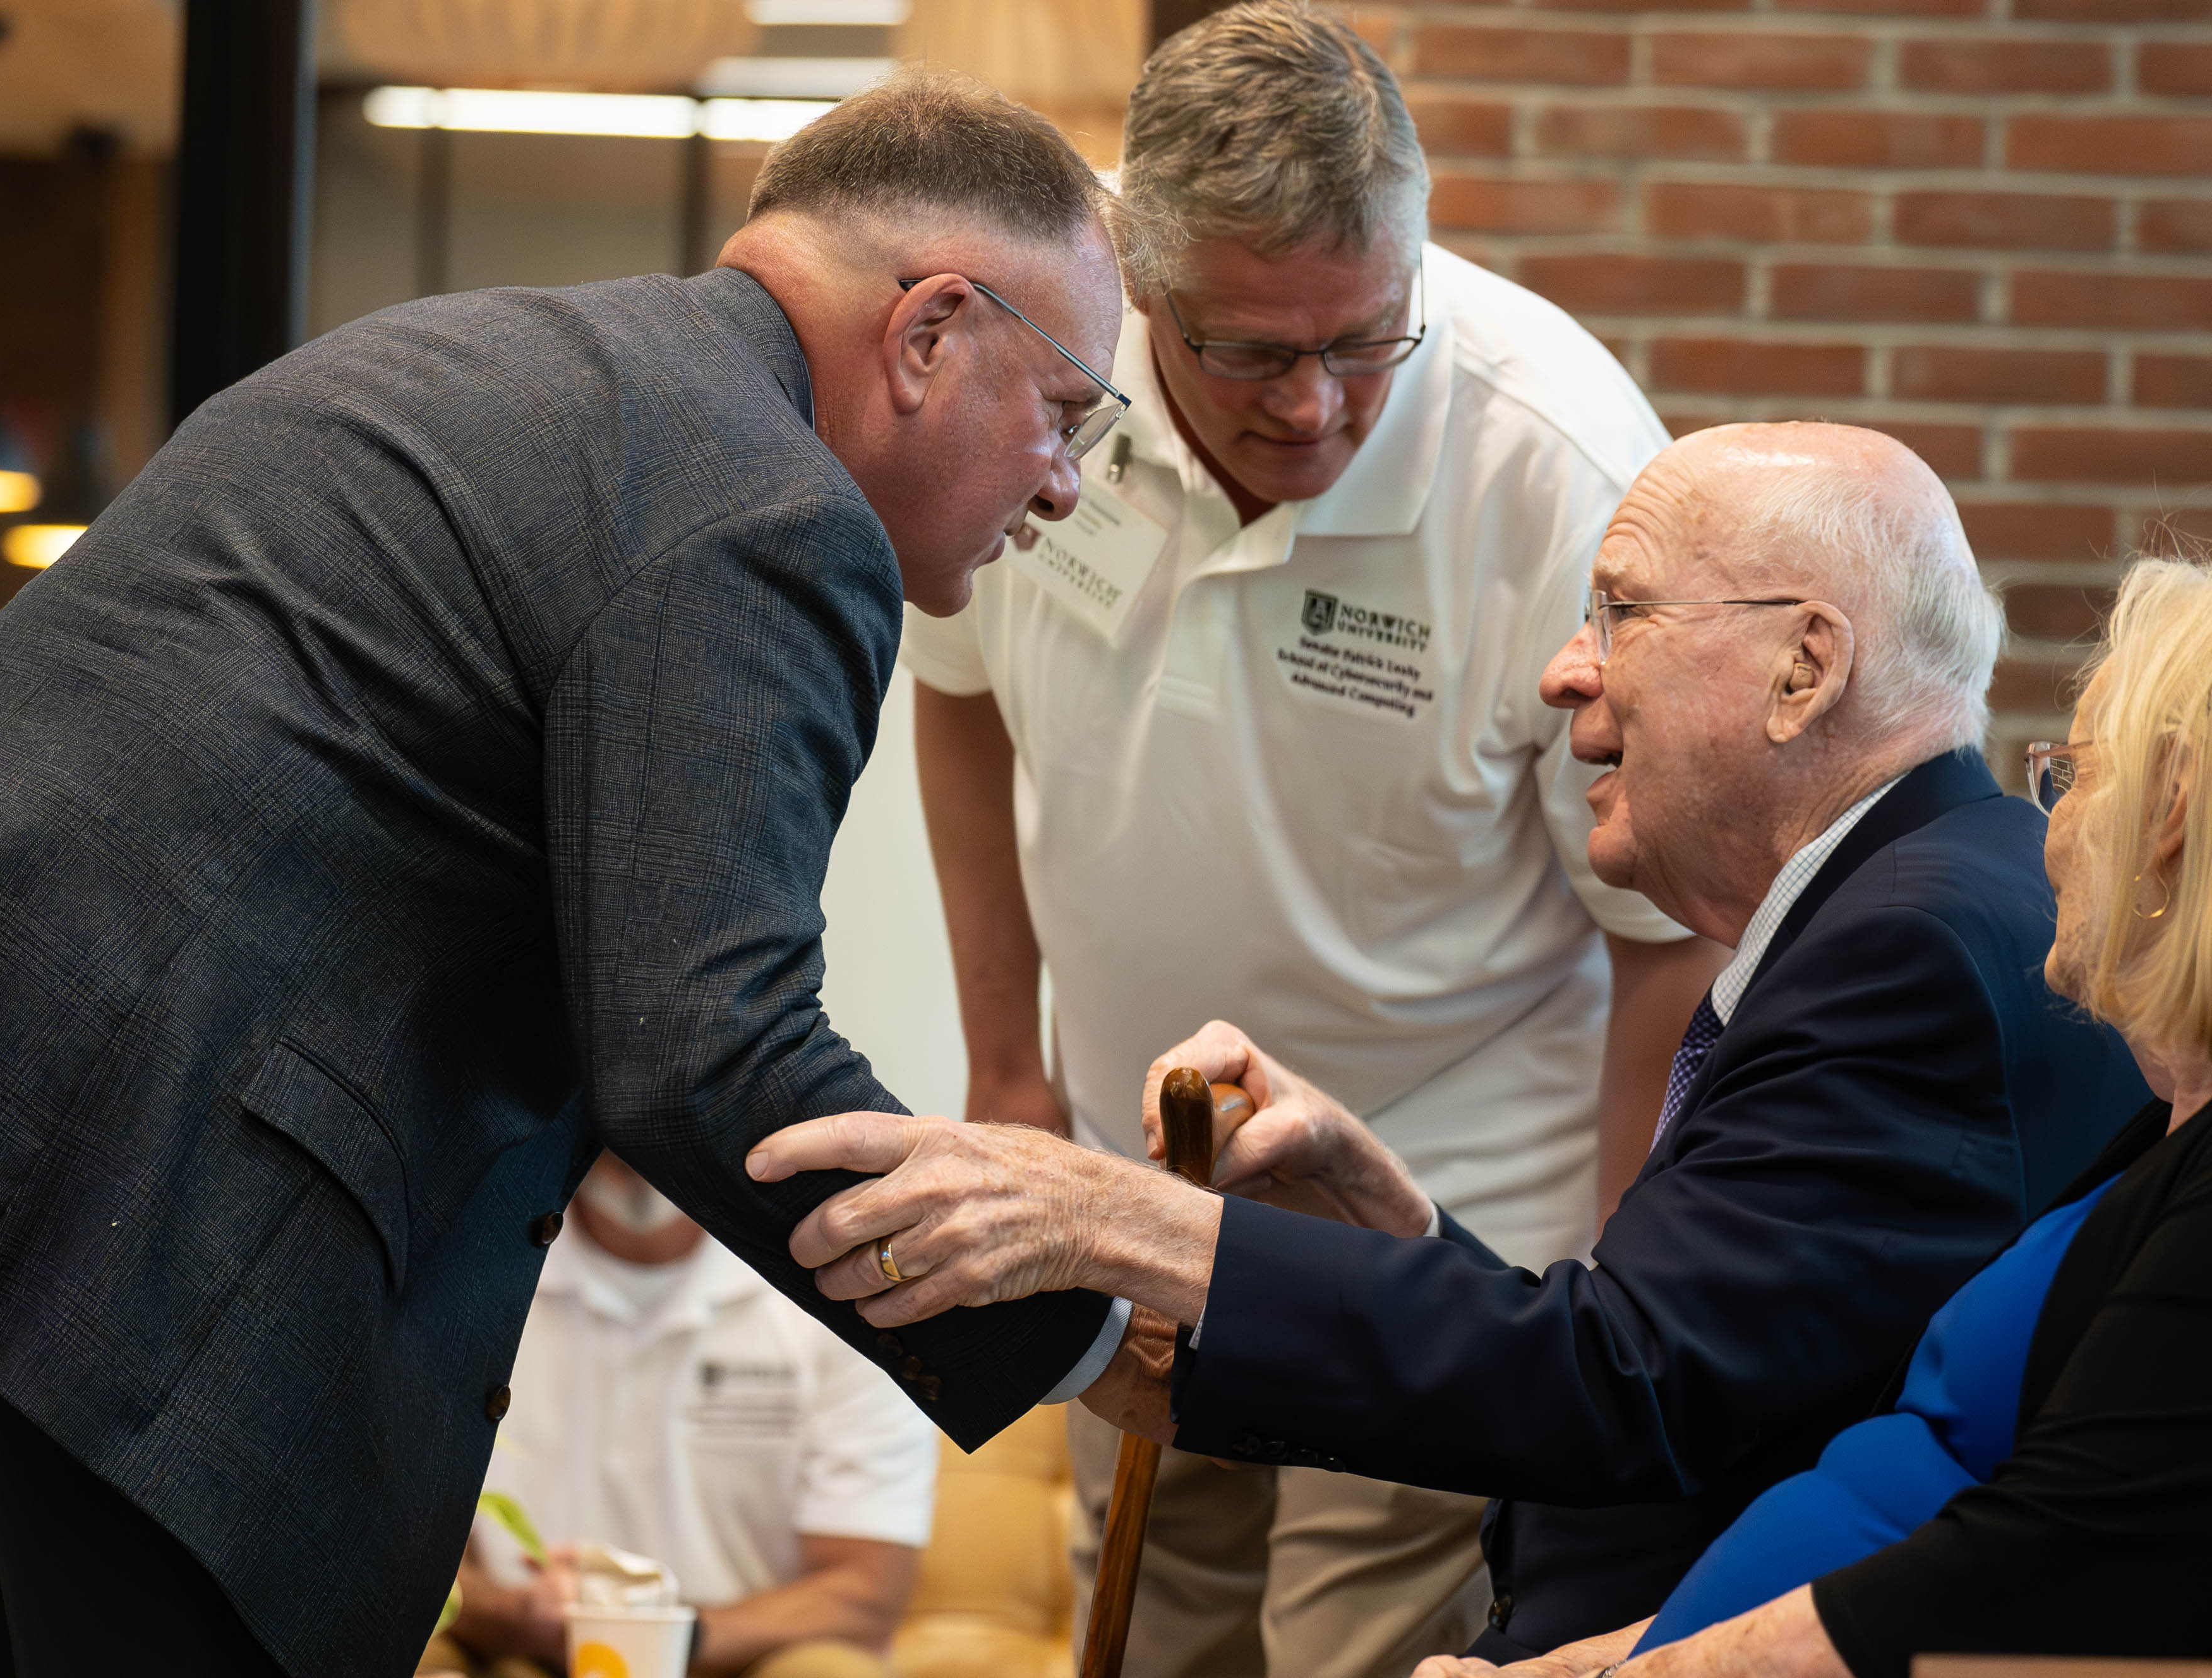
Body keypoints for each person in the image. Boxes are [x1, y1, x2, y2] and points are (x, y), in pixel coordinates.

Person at [0, 73, 1145, 1677]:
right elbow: (707, 1052)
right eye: (1067, 410)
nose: (1065, 484)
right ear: (931, 329)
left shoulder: (478, 351)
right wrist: (1083, 1320)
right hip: (134, 1210)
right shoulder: (771, 506)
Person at [747, 422, 2154, 1659]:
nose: (1562, 673)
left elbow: (1627, 1390)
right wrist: (1390, 1216)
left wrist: (1130, 1221)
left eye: (1619, 613)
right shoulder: (1905, 903)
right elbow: (1712, 1361)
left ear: (1805, 666)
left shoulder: (1911, 947)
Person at [899, 8, 1719, 1670]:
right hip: (1143, 1188)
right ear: (1139, 289)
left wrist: (1612, 1299)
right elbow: (959, 691)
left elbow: (1665, 936)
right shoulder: (1049, 361)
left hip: (1445, 1220)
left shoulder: (1554, 467)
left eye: (1367, 338)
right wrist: (1007, 1067)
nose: (1318, 403)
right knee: (1154, 1636)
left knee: (1363, 1656)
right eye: (1253, 353)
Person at [1410, 555, 2212, 1678]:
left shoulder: (1906, 943)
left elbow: (2048, 1565)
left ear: (2170, 817)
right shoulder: (2167, 1132)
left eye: (2072, 775)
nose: (2047, 830)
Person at [438, 1154, 934, 1678]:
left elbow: (864, 1595)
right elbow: (404, 1557)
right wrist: (514, 1615)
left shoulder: (845, 1297)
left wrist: (662, 1636)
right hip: (524, 1651)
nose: (635, 1118)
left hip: (749, 1656)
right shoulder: (464, 1285)